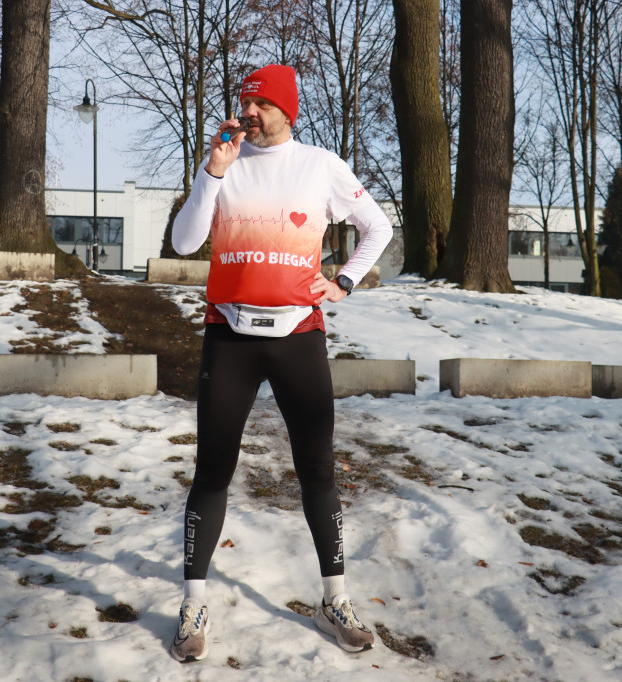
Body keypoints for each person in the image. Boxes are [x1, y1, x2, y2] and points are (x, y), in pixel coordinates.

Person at [168, 64, 392, 663]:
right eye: (244, 101)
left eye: (259, 103)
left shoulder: (320, 165)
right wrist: (211, 174)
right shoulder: (224, 166)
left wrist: (343, 280)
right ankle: (192, 604)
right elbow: (185, 243)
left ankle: (334, 600)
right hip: (229, 336)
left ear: (285, 110)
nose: (248, 112)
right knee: (212, 470)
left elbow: (377, 226)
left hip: (299, 337)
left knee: (317, 469)